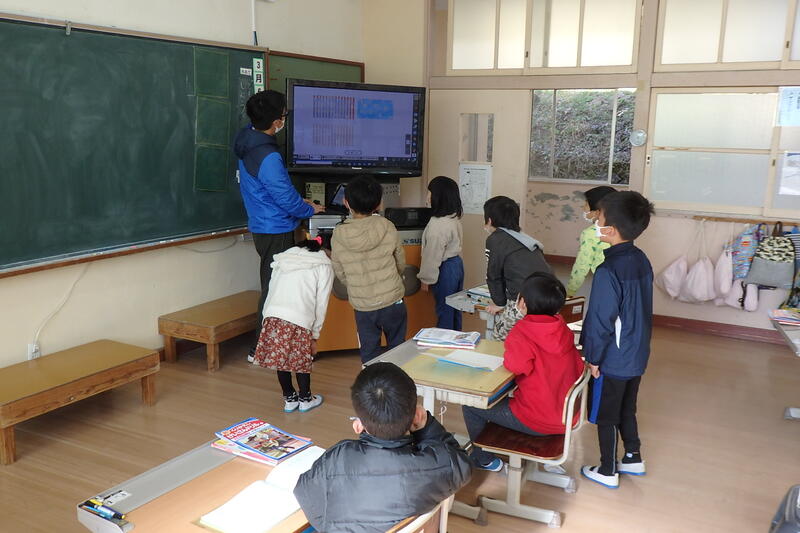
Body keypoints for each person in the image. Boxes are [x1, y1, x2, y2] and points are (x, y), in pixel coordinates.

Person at [294, 363, 472, 533]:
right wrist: (426, 426)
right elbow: (462, 462)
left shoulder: (337, 458)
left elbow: (304, 494)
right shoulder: (439, 465)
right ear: (416, 415)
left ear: (360, 423)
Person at [233, 90, 324, 361]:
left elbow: (274, 190)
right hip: (276, 228)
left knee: (272, 284)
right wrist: (308, 209)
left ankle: (267, 345)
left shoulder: (246, 138)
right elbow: (283, 197)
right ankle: (260, 349)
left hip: (262, 223)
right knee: (275, 289)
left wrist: (299, 202)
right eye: (284, 115)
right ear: (275, 122)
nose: (285, 119)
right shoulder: (268, 155)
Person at [462, 272, 585, 471]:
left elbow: (515, 366)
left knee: (471, 404)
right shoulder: (561, 326)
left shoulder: (524, 331)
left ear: (523, 303)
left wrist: (515, 329)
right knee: (501, 397)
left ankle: (484, 459)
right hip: (567, 415)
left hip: (538, 419)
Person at [579, 191, 655, 489]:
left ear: (610, 229)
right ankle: (633, 457)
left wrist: (593, 357)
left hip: (613, 358)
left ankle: (607, 469)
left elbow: (601, 320)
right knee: (626, 407)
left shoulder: (608, 270)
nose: (595, 223)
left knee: (606, 413)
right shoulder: (641, 260)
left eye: (598, 218)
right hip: (637, 353)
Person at [330, 176, 407, 364]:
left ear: (346, 203)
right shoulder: (386, 225)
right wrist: (394, 278)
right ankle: (397, 380)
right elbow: (400, 260)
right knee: (398, 347)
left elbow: (339, 270)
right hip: (393, 300)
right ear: (379, 203)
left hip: (363, 305)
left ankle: (371, 381)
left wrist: (356, 285)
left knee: (369, 350)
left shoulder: (339, 234)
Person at [252, 239, 333, 413]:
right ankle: (305, 399)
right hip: (299, 316)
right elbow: (321, 303)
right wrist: (315, 335)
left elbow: (270, 291)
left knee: (282, 360)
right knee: (300, 359)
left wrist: (266, 319)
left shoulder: (282, 260)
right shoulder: (324, 265)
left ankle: (289, 399)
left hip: (273, 314)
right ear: (326, 251)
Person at [483, 195, 551, 340]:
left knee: (498, 337)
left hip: (525, 300)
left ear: (489, 220)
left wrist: (499, 303)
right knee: (531, 337)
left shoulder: (495, 239)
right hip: (549, 295)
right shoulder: (523, 237)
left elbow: (494, 275)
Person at [418, 176, 464, 330]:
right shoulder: (453, 218)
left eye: (429, 192)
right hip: (457, 265)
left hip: (445, 269)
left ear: (438, 196)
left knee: (444, 311)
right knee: (455, 309)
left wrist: (426, 279)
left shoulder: (437, 225)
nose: (427, 197)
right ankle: (457, 340)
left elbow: (432, 255)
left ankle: (444, 342)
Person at [566, 186, 617, 297]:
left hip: (604, 284)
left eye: (586, 204)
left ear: (598, 212)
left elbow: (581, 266)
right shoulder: (621, 228)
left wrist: (570, 292)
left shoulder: (590, 234)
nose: (583, 208)